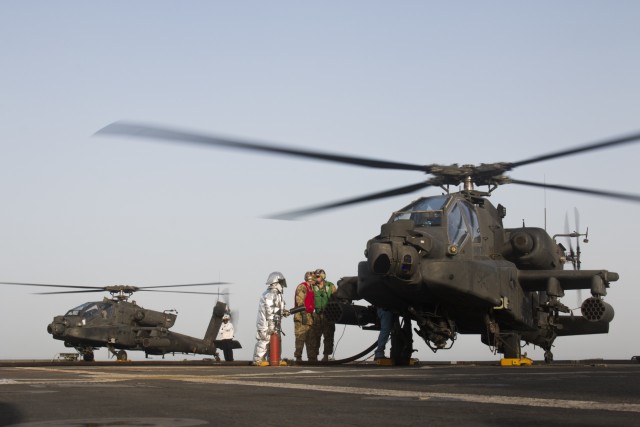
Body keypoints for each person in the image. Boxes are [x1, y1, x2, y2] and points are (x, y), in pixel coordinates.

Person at [252, 271, 289, 365]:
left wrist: (283, 311)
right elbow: (269, 310)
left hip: (275, 323)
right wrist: (271, 325)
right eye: (280, 282)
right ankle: (258, 360)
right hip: (266, 324)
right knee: (265, 340)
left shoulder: (277, 294)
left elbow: (276, 308)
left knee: (276, 340)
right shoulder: (269, 294)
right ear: (275, 282)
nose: (282, 285)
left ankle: (275, 359)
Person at [309, 268, 337, 362]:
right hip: (317, 315)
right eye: (315, 277)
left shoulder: (331, 286)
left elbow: (336, 299)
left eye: (317, 276)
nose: (315, 278)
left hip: (328, 315)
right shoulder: (313, 287)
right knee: (315, 337)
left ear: (323, 276)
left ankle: (326, 357)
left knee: (328, 336)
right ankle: (314, 357)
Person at [293, 271, 315, 362]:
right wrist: (303, 313)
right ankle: (298, 357)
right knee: (300, 337)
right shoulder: (302, 287)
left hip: (310, 315)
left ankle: (311, 358)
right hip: (301, 315)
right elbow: (300, 301)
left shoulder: (311, 288)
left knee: (310, 338)